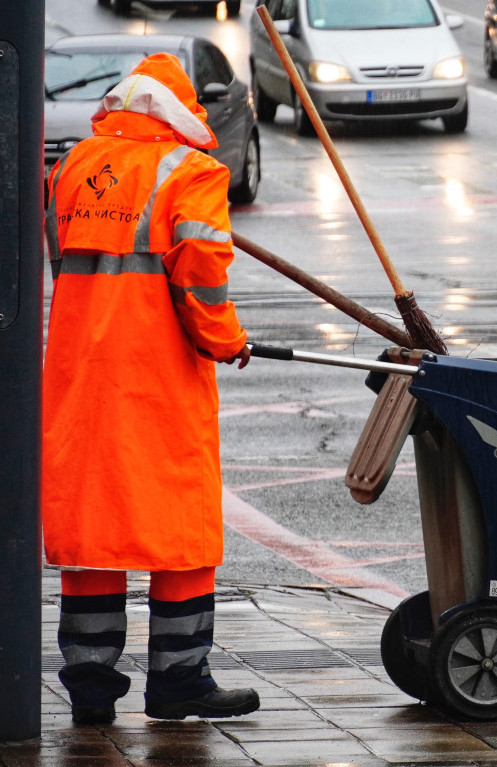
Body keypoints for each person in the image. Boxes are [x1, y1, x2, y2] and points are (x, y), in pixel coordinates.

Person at [43, 53, 259, 724]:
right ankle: (179, 678)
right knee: (184, 528)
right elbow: (201, 275)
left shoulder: (73, 168)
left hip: (81, 374)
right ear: (178, 112)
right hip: (159, 376)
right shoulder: (191, 172)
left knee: (93, 528)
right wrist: (227, 339)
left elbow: (65, 261)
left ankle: (89, 685)